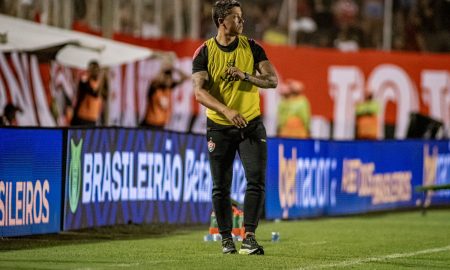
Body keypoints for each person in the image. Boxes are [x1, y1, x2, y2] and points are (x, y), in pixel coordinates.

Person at [192, 0, 278, 255]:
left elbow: (272, 80)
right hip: (219, 127)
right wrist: (227, 111)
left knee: (256, 180)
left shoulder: (252, 47)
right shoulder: (205, 52)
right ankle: (226, 239)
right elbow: (199, 93)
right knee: (221, 185)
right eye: (237, 17)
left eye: (242, 17)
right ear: (222, 22)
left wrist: (246, 76)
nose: (242, 21)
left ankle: (249, 237)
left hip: (251, 125)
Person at [141, 65, 189, 129]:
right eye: (166, 78)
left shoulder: (169, 88)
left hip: (161, 124)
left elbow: (186, 78)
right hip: (149, 123)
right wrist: (163, 70)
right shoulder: (155, 88)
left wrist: (174, 68)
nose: (168, 80)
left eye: (169, 78)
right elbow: (157, 79)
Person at [71, 60, 108, 126]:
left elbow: (104, 96)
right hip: (82, 117)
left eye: (96, 69)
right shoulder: (85, 81)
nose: (95, 71)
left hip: (93, 118)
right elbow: (94, 93)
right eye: (92, 69)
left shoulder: (100, 82)